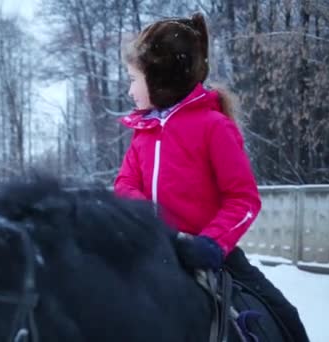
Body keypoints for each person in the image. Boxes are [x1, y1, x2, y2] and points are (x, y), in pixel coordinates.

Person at [114, 12, 308, 342]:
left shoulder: (213, 127)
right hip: (154, 251)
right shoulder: (143, 131)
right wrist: (153, 225)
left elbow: (243, 198)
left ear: (161, 78)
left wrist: (211, 243)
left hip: (214, 255)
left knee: (286, 316)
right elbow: (124, 184)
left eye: (134, 79)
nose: (129, 89)